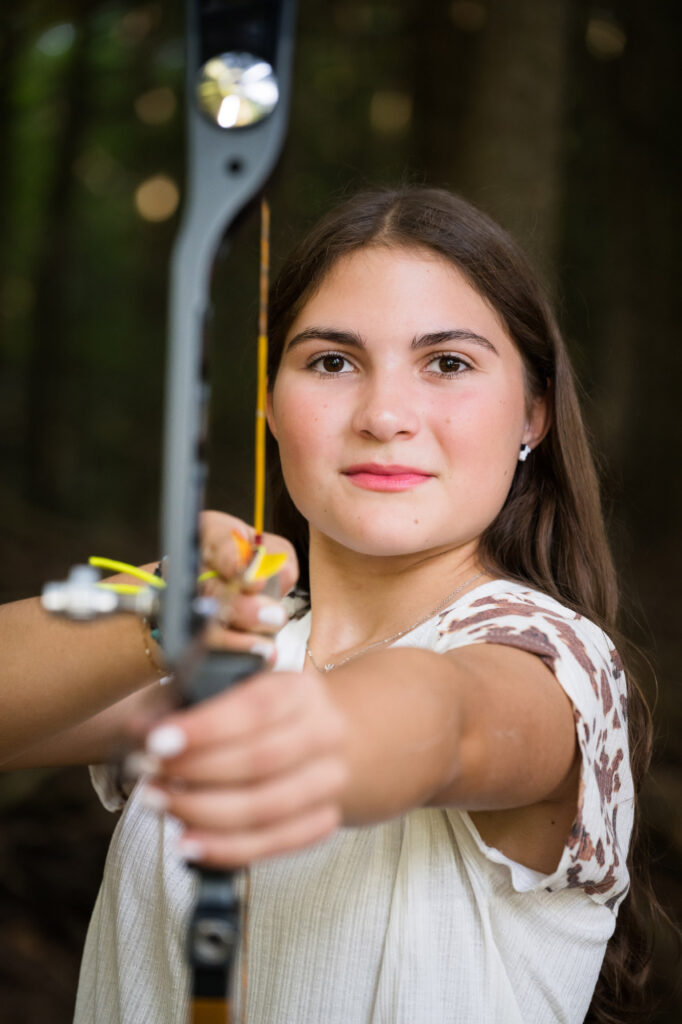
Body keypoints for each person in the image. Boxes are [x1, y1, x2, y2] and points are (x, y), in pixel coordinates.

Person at [7, 188, 652, 1023]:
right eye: (332, 361)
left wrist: (315, 732)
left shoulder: (557, 662)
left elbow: (448, 719)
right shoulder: (224, 647)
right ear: (272, 404)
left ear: (531, 412)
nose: (385, 415)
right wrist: (159, 616)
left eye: (448, 363)